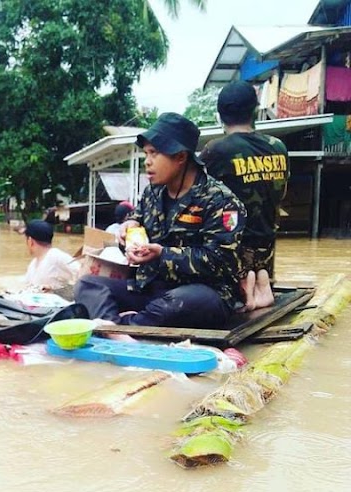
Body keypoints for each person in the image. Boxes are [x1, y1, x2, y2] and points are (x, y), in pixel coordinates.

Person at [74, 112, 246, 330]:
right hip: (150, 288)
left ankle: (117, 328)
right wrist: (127, 232)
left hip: (200, 293)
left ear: (181, 157)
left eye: (154, 153)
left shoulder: (220, 200)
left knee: (180, 303)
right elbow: (135, 223)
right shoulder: (152, 193)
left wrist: (162, 254)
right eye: (146, 153)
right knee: (88, 284)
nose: (147, 161)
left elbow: (220, 260)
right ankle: (118, 329)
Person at [200, 80, 289, 311]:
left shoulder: (216, 150)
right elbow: (281, 194)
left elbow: (198, 198)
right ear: (255, 110)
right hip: (268, 248)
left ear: (220, 115)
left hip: (233, 253)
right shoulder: (278, 147)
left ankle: (248, 292)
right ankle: (263, 288)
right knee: (262, 288)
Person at [22, 219, 77, 291]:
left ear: (30, 241)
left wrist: (56, 290)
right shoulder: (33, 264)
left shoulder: (56, 256)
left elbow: (83, 274)